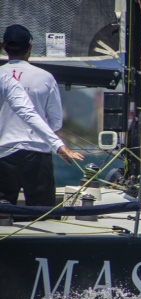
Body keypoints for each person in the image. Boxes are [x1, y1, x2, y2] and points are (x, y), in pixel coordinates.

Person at [0, 24, 84, 207]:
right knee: (42, 213)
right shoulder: (45, 77)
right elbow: (55, 123)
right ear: (30, 48)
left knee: (2, 214)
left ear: (3, 46)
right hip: (37, 153)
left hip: (2, 153)